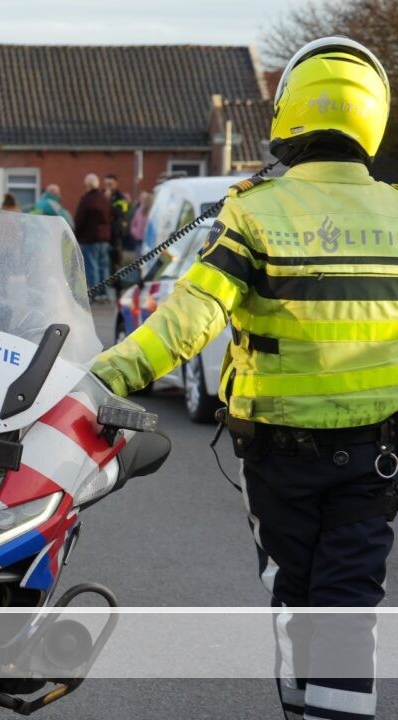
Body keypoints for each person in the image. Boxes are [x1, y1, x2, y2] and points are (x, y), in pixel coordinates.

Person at [91, 37, 398, 720]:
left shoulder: (254, 212)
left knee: (295, 602)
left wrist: (94, 378)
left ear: (289, 112)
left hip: (279, 460)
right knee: (349, 606)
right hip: (377, 459)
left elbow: (187, 323)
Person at [73, 173, 112, 300]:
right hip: (104, 238)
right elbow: (110, 217)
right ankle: (104, 293)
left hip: (90, 238)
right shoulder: (105, 199)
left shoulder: (86, 199)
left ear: (87, 185)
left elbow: (79, 220)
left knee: (92, 266)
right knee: (104, 266)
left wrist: (77, 236)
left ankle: (95, 293)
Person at [104, 173, 132, 287]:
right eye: (106, 184)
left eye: (110, 184)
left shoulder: (121, 197)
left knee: (116, 259)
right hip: (105, 233)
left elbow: (122, 212)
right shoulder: (102, 195)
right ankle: (108, 282)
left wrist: (108, 202)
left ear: (116, 184)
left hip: (116, 233)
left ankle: (118, 284)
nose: (108, 186)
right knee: (105, 261)